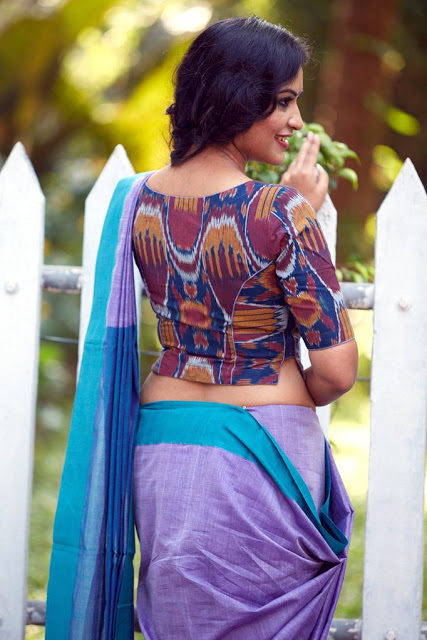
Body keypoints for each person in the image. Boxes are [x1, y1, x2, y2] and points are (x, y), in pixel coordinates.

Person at [46, 15, 358, 640]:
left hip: (162, 438)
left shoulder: (135, 201)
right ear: (238, 96)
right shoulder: (281, 210)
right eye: (284, 101)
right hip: (265, 446)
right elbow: (337, 371)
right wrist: (300, 211)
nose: (297, 120)